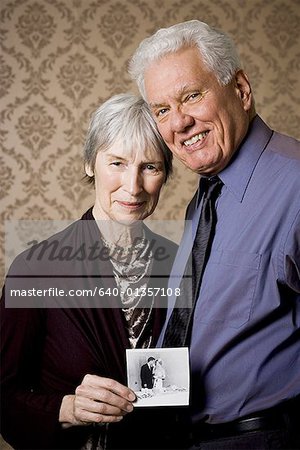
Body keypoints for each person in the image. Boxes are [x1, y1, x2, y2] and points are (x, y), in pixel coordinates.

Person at [129, 20, 300, 449]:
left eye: (192, 96)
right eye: (162, 110)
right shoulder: (205, 201)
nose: (179, 123)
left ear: (240, 90)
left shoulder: (295, 183)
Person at [0, 93, 178, 450]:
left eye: (150, 167)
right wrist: (67, 408)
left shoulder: (180, 264)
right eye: (117, 163)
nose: (133, 186)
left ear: (166, 175)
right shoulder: (36, 269)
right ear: (89, 164)